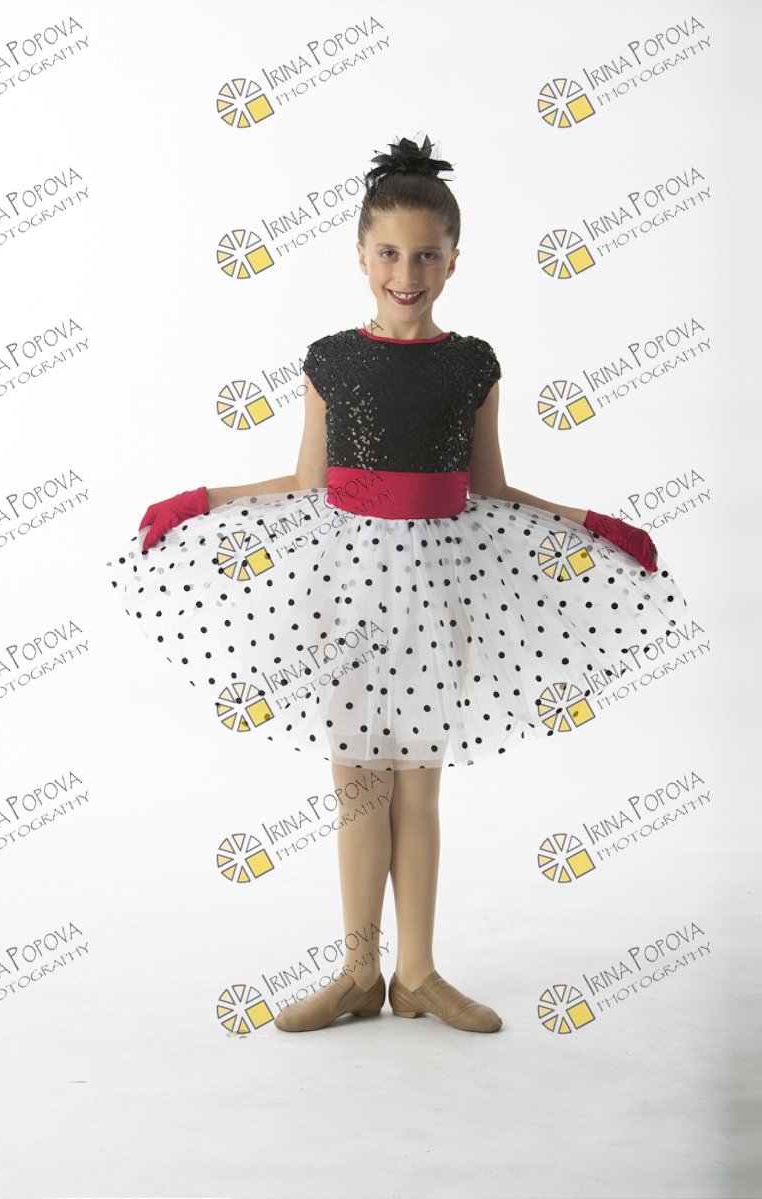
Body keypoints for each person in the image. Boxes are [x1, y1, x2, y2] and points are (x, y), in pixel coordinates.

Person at [107, 134, 689, 1035]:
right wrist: (203, 499)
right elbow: (307, 481)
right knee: (358, 787)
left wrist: (590, 525)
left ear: (454, 260)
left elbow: (491, 487)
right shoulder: (332, 358)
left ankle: (416, 972)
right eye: (388, 252)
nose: (405, 272)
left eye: (425, 255)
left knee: (417, 784)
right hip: (346, 585)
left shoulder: (473, 363)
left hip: (438, 586)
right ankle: (357, 972)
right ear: (359, 255)